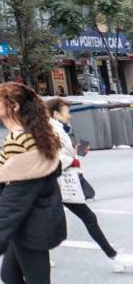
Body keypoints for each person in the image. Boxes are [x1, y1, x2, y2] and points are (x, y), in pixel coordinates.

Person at [0, 82, 66, 284]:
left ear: (14, 106)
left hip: (30, 224)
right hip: (32, 222)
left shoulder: (19, 139)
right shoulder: (31, 134)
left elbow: (17, 195)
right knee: (9, 276)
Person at [47, 97, 128, 271]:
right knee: (85, 218)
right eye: (67, 111)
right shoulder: (51, 131)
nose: (70, 115)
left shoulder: (58, 129)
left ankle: (34, 258)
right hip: (57, 183)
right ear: (56, 114)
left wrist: (77, 154)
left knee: (55, 221)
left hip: (62, 182)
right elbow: (54, 156)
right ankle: (113, 257)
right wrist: (73, 161)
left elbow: (63, 153)